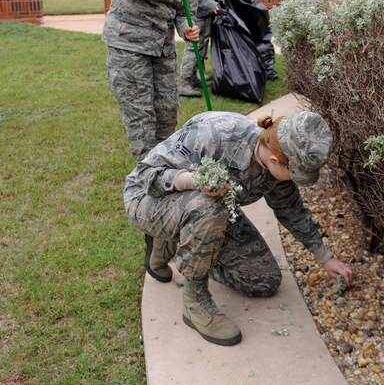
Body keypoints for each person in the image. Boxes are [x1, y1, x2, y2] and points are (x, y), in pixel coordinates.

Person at [124, 110, 354, 346]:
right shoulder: (215, 133)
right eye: (295, 174)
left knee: (263, 279)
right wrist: (194, 181)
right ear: (275, 160)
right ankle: (194, 300)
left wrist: (325, 257)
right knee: (209, 206)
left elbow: (291, 210)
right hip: (149, 199)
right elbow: (146, 175)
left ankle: (176, 237)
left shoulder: (276, 160)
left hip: (207, 211)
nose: (295, 180)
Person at [102, 0, 216, 161]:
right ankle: (147, 178)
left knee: (167, 112)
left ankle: (163, 167)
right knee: (141, 118)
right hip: (128, 47)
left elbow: (184, 12)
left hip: (162, 48)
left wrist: (187, 28)